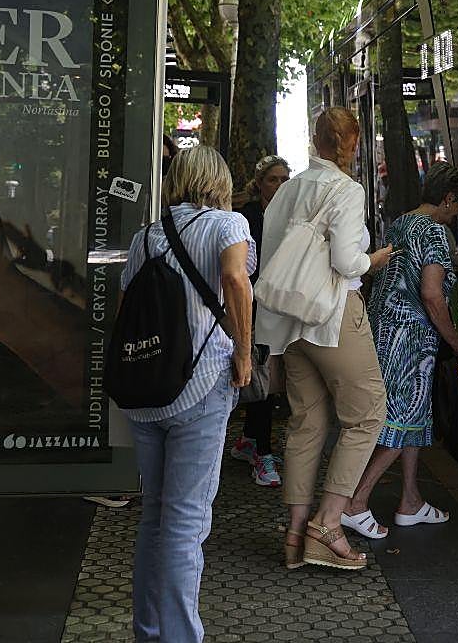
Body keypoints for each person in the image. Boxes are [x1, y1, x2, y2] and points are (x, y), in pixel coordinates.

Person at [118, 145, 255, 643]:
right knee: (185, 523)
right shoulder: (228, 225)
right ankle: (180, 637)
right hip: (200, 386)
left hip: (147, 389)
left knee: (154, 516)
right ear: (218, 181)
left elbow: (125, 309)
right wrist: (243, 354)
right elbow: (237, 281)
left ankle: (149, 631)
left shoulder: (146, 236)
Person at [257, 107, 394, 571]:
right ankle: (328, 524)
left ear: (315, 140)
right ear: (351, 144)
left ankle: (295, 535)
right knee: (368, 413)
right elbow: (347, 262)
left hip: (289, 324)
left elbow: (272, 254)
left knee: (306, 422)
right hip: (332, 317)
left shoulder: (288, 189)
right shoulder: (346, 189)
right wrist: (375, 258)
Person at [343, 162, 458, 536]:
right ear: (448, 199)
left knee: (413, 417)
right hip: (411, 337)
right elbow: (432, 295)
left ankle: (410, 500)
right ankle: (355, 501)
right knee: (401, 421)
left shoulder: (401, 222)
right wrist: (455, 340)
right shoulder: (434, 232)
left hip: (383, 329)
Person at [229, 155, 291, 487]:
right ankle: (262, 452)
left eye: (285, 179)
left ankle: (251, 440)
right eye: (273, 179)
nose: (280, 185)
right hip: (254, 307)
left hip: (282, 306)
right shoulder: (247, 216)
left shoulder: (293, 216)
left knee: (268, 377)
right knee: (262, 378)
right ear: (259, 183)